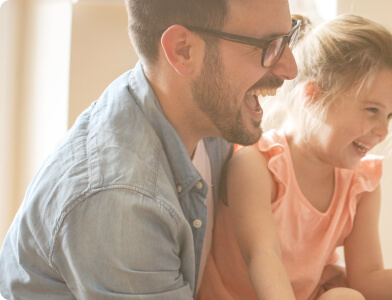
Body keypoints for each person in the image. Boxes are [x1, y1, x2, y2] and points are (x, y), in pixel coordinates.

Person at [0, 0, 300, 298]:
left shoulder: (209, 114)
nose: (291, 68)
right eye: (268, 45)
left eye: (288, 37)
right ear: (183, 51)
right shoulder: (122, 203)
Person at [197, 14, 392, 300]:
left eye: (389, 116)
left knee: (347, 296)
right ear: (313, 96)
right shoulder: (257, 164)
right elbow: (263, 257)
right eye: (372, 110)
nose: (382, 130)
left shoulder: (360, 186)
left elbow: (367, 280)